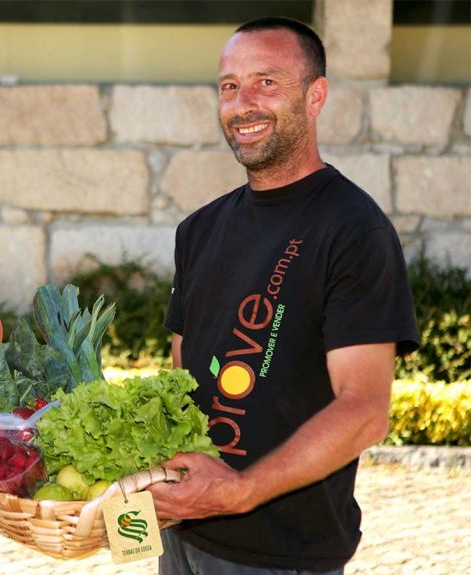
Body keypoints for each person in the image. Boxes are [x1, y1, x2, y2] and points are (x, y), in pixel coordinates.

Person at [147, 17, 420, 575]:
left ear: (315, 96)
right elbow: (182, 374)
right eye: (229, 86)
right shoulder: (198, 229)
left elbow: (364, 410)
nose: (242, 103)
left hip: (283, 553)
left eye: (266, 82)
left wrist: (240, 490)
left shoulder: (353, 229)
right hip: (184, 534)